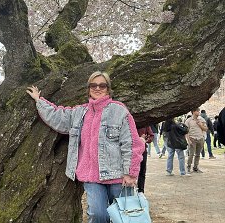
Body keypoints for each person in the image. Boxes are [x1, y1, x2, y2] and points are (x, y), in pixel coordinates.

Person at [26, 71, 145, 223]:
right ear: (88, 88)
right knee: (97, 215)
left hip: (118, 176)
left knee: (122, 217)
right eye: (93, 85)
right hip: (91, 176)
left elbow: (132, 143)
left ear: (108, 89)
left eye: (102, 85)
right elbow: (58, 116)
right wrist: (39, 100)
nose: (97, 88)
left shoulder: (119, 111)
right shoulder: (79, 112)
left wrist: (131, 173)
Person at [185, 107, 208, 173]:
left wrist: (200, 125)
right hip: (192, 139)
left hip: (200, 138)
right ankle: (188, 167)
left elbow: (206, 129)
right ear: (193, 112)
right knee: (191, 154)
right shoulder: (188, 120)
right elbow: (186, 131)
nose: (198, 112)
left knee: (198, 154)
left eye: (199, 111)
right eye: (197, 111)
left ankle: (195, 167)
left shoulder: (202, 119)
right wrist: (188, 140)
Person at [137, 126, 154, 195]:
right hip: (129, 150)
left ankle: (141, 192)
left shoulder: (145, 123)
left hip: (142, 150)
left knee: (142, 171)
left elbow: (151, 135)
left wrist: (145, 140)